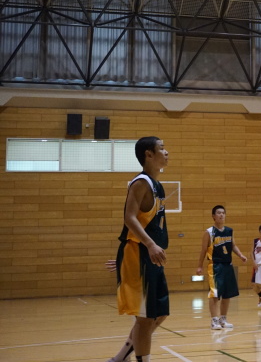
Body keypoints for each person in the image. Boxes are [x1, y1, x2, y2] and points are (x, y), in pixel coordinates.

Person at [107, 137, 169, 362]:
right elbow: (129, 218)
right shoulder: (141, 183)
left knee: (159, 313)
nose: (166, 152)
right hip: (139, 255)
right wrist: (149, 245)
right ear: (148, 154)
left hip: (150, 258)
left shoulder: (157, 185)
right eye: (161, 148)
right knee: (145, 317)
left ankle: (122, 355)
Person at [196, 205, 248, 329]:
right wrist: (199, 266)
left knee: (226, 294)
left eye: (223, 213)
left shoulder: (229, 231)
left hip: (227, 265)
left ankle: (223, 319)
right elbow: (203, 250)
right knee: (214, 294)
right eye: (218, 213)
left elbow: (233, 245)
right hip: (215, 266)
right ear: (213, 216)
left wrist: (240, 255)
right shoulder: (209, 232)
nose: (221, 215)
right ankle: (214, 320)